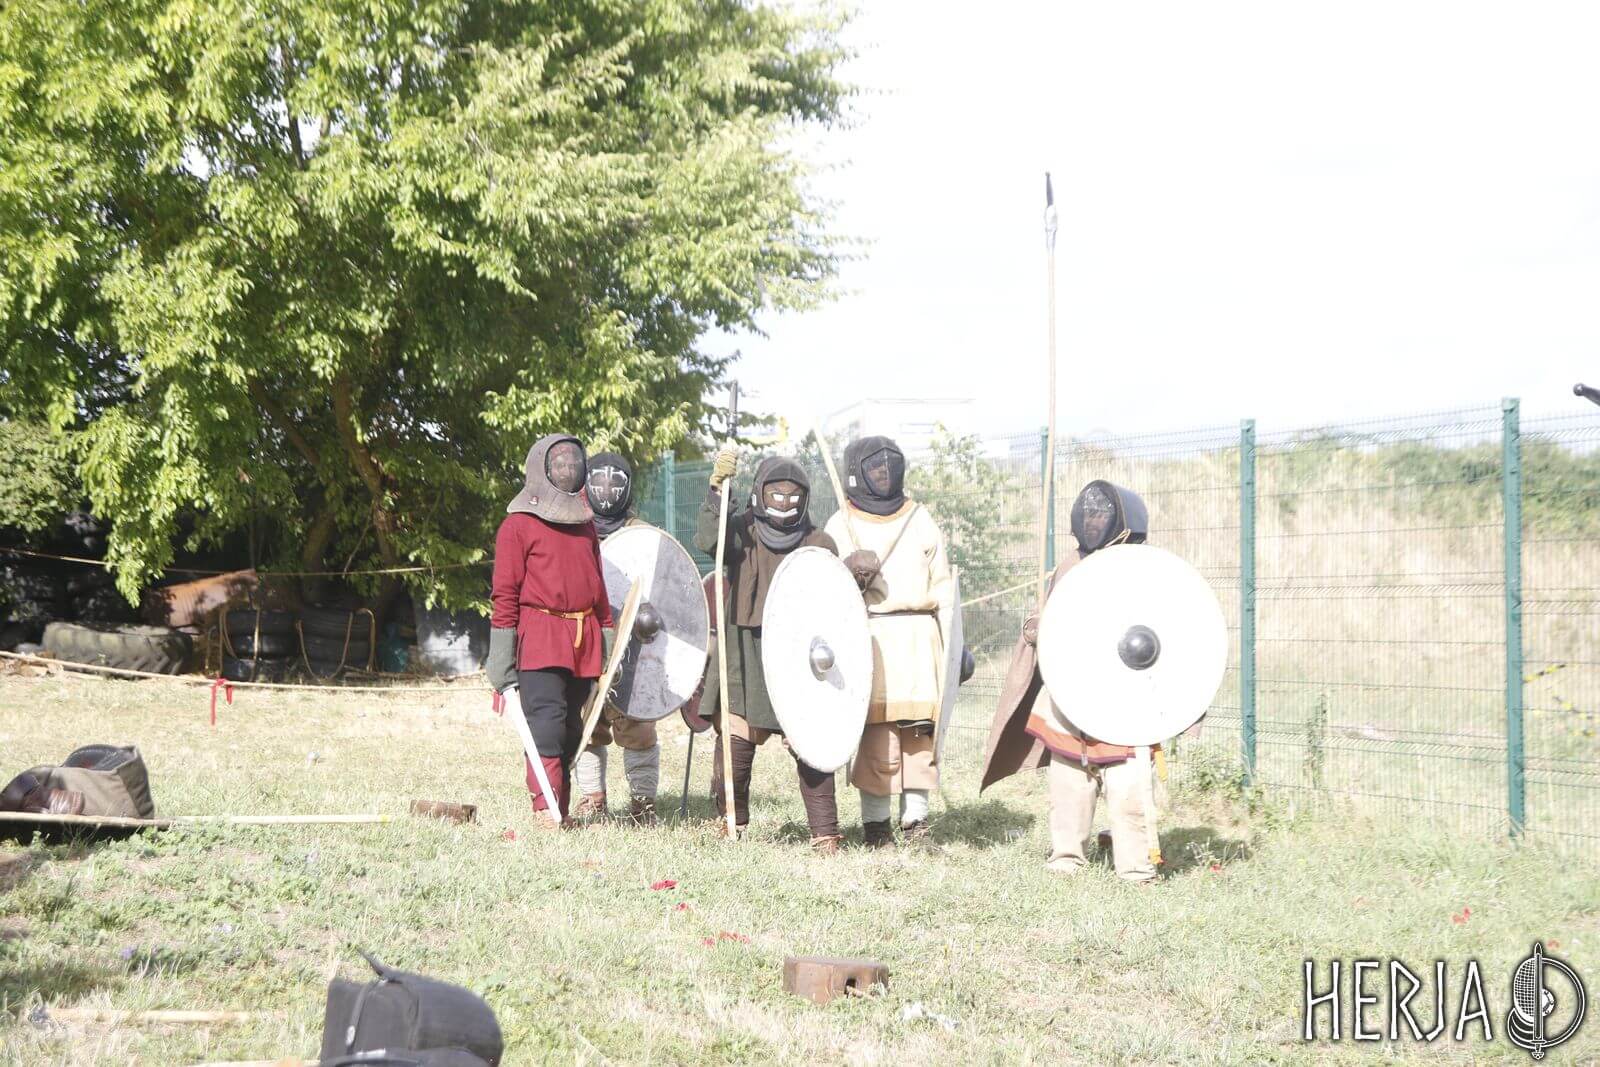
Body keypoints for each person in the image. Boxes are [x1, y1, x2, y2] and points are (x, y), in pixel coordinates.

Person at [978, 480, 1160, 882]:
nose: (1092, 520)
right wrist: (1037, 627)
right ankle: (1066, 858)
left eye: (1102, 514)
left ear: (1123, 522)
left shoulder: (1144, 569)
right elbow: (1052, 617)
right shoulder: (1070, 565)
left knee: (1128, 786)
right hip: (1072, 699)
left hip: (1125, 702)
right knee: (1069, 781)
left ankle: (1135, 868)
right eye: (1088, 513)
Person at [692, 447, 845, 853]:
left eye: (793, 494)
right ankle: (731, 823)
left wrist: (858, 577)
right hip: (745, 650)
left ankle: (825, 833)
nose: (784, 500)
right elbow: (708, 539)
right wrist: (717, 492)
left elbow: (837, 604)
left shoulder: (819, 543)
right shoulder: (739, 532)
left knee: (810, 744)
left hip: (800, 658)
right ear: (760, 493)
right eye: (776, 493)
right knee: (736, 742)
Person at [823, 436, 953, 848]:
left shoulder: (920, 519)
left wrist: (953, 644)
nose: (882, 471)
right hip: (871, 638)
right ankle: (876, 827)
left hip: (919, 640)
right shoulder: (841, 524)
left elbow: (943, 586)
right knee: (878, 740)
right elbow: (824, 585)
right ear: (856, 472)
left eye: (888, 465)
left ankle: (916, 823)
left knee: (918, 738)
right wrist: (850, 572)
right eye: (873, 466)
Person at [486, 434, 613, 828]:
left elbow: (598, 586)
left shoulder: (586, 526)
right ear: (541, 468)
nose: (568, 469)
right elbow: (505, 593)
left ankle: (562, 810)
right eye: (559, 463)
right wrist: (501, 656)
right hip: (540, 636)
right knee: (547, 723)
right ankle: (545, 809)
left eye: (573, 463)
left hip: (582, 637)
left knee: (572, 728)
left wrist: (607, 636)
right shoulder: (518, 525)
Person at [568, 451, 662, 825]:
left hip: (634, 646)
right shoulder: (573, 527)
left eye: (615, 481)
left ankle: (643, 803)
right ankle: (593, 797)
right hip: (586, 638)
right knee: (587, 722)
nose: (607, 488)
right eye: (599, 480)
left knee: (638, 724)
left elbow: (662, 590)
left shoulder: (642, 535)